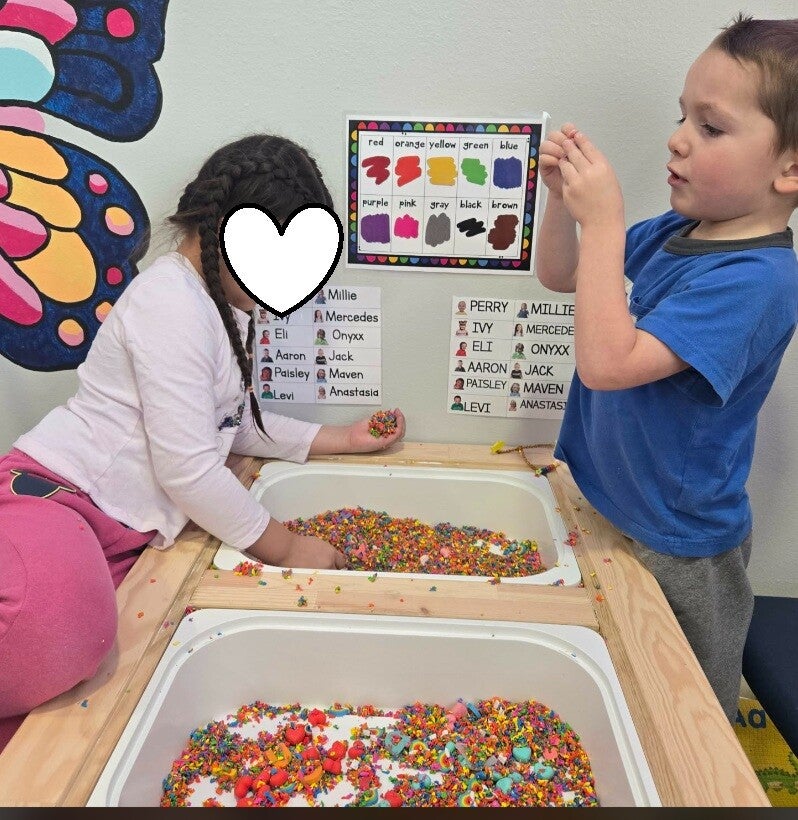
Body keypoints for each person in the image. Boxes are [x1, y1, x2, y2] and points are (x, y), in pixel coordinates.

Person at [0, 133, 408, 753]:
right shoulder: (170, 301)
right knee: (57, 617)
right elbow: (189, 470)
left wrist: (340, 438)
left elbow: (228, 423)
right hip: (54, 498)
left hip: (123, 533)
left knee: (76, 672)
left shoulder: (224, 307)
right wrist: (286, 545)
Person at [535, 16, 798, 723]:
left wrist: (605, 220)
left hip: (679, 545)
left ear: (790, 169)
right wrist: (563, 204)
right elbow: (562, 276)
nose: (678, 139)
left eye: (710, 127)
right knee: (619, 695)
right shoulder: (678, 233)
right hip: (612, 505)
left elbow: (606, 364)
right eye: (682, 117)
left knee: (688, 716)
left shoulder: (759, 279)